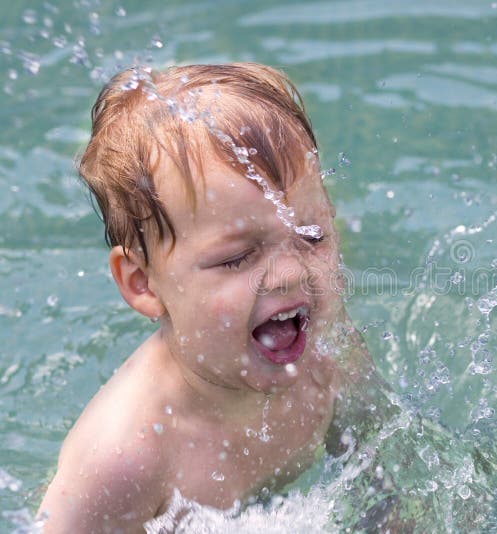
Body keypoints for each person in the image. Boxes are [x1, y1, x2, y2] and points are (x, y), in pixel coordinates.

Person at [37, 63, 387, 532]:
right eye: (237, 258)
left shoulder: (330, 353)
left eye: (311, 235)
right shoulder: (121, 461)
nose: (289, 274)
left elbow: (388, 474)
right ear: (142, 283)